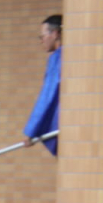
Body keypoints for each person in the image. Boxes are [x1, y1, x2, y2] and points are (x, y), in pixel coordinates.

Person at [25, 14, 62, 155]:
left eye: (43, 36)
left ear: (55, 34)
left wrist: (31, 131)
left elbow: (47, 94)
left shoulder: (58, 58)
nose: (42, 41)